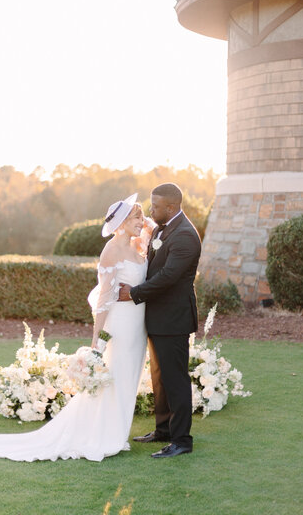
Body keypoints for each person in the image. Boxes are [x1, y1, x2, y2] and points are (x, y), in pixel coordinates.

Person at [0, 193, 152, 462]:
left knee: (129, 378)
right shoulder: (111, 252)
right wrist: (97, 340)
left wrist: (147, 228)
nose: (141, 220)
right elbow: (104, 298)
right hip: (121, 325)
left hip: (138, 325)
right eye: (135, 217)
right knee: (116, 379)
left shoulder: (137, 246)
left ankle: (117, 431)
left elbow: (149, 244)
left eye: (141, 216)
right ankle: (108, 435)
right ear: (121, 223)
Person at [118, 183, 201, 458]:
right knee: (159, 377)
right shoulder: (162, 229)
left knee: (175, 379)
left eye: (155, 206)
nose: (151, 211)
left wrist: (134, 293)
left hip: (174, 319)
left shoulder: (186, 236)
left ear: (171, 207)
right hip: (157, 317)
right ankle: (163, 430)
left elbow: (168, 277)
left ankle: (181, 441)